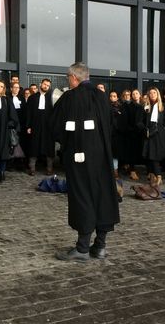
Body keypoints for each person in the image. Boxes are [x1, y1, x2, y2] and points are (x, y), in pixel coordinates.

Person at [52, 62, 119, 261]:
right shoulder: (101, 96)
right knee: (103, 195)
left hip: (79, 158)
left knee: (83, 197)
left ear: (74, 77)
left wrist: (66, 145)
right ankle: (100, 246)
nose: (68, 81)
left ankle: (82, 248)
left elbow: (55, 127)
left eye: (68, 78)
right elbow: (110, 125)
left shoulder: (70, 97)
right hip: (102, 157)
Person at [25, 79, 55, 175]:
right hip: (35, 124)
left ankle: (49, 169)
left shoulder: (52, 98)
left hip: (48, 126)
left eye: (48, 85)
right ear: (40, 84)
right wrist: (28, 126)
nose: (46, 86)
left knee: (49, 147)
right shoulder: (32, 98)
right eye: (45, 84)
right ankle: (32, 168)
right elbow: (28, 113)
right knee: (34, 146)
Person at [141, 87, 165, 187]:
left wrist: (163, 129)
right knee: (150, 155)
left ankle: (159, 176)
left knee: (155, 155)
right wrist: (145, 130)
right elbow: (140, 121)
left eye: (154, 93)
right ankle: (155, 176)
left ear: (157, 94)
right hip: (149, 132)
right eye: (151, 93)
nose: (152, 95)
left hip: (159, 133)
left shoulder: (163, 106)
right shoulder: (146, 106)